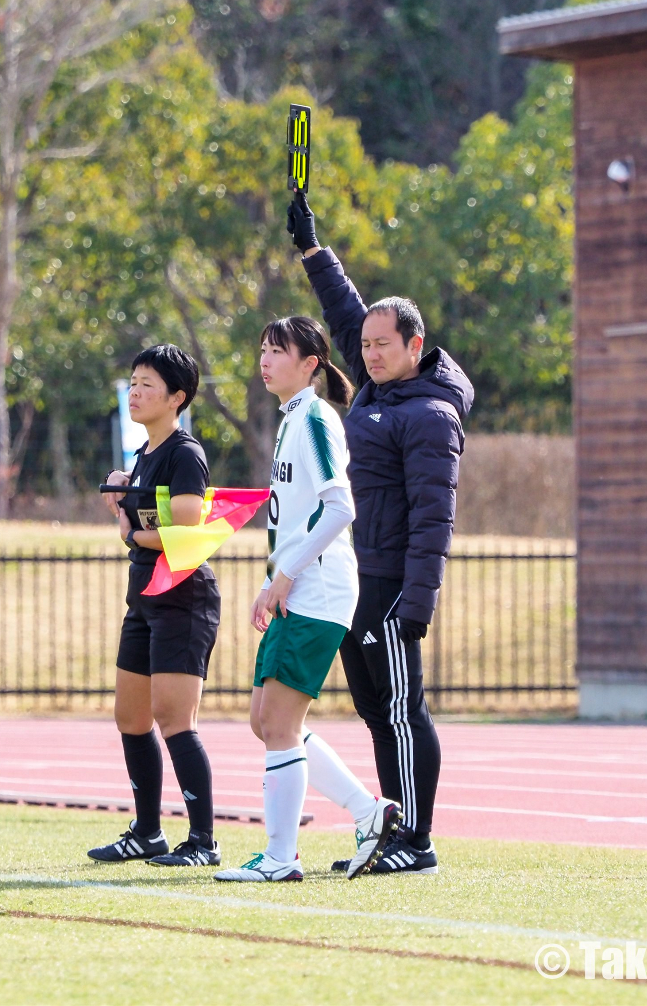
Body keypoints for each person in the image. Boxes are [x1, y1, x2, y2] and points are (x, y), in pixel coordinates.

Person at [287, 192, 472, 875]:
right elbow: (346, 311)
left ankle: (416, 842)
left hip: (393, 587)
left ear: (414, 347)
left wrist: (417, 602)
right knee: (373, 712)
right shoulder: (376, 388)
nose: (367, 354)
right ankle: (390, 831)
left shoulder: (428, 414)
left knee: (401, 711)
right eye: (362, 346)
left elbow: (435, 515)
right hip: (354, 580)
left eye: (381, 345)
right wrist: (312, 247)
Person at [213, 316, 403, 884]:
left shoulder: (316, 418)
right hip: (299, 587)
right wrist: (276, 578)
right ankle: (368, 811)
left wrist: (287, 574)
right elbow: (296, 519)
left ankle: (280, 857)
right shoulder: (290, 420)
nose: (265, 360)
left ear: (310, 364)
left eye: (278, 351)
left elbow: (340, 506)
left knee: (277, 721)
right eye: (263, 349)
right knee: (265, 720)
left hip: (318, 590)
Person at [88, 344, 223, 868]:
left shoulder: (184, 451)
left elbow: (188, 521)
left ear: (177, 397)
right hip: (143, 598)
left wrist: (129, 524)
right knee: (131, 716)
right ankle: (147, 833)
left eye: (148, 384)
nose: (136, 392)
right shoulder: (144, 454)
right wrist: (127, 488)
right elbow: (150, 515)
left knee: (174, 718)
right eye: (134, 381)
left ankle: (203, 841)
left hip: (183, 599)